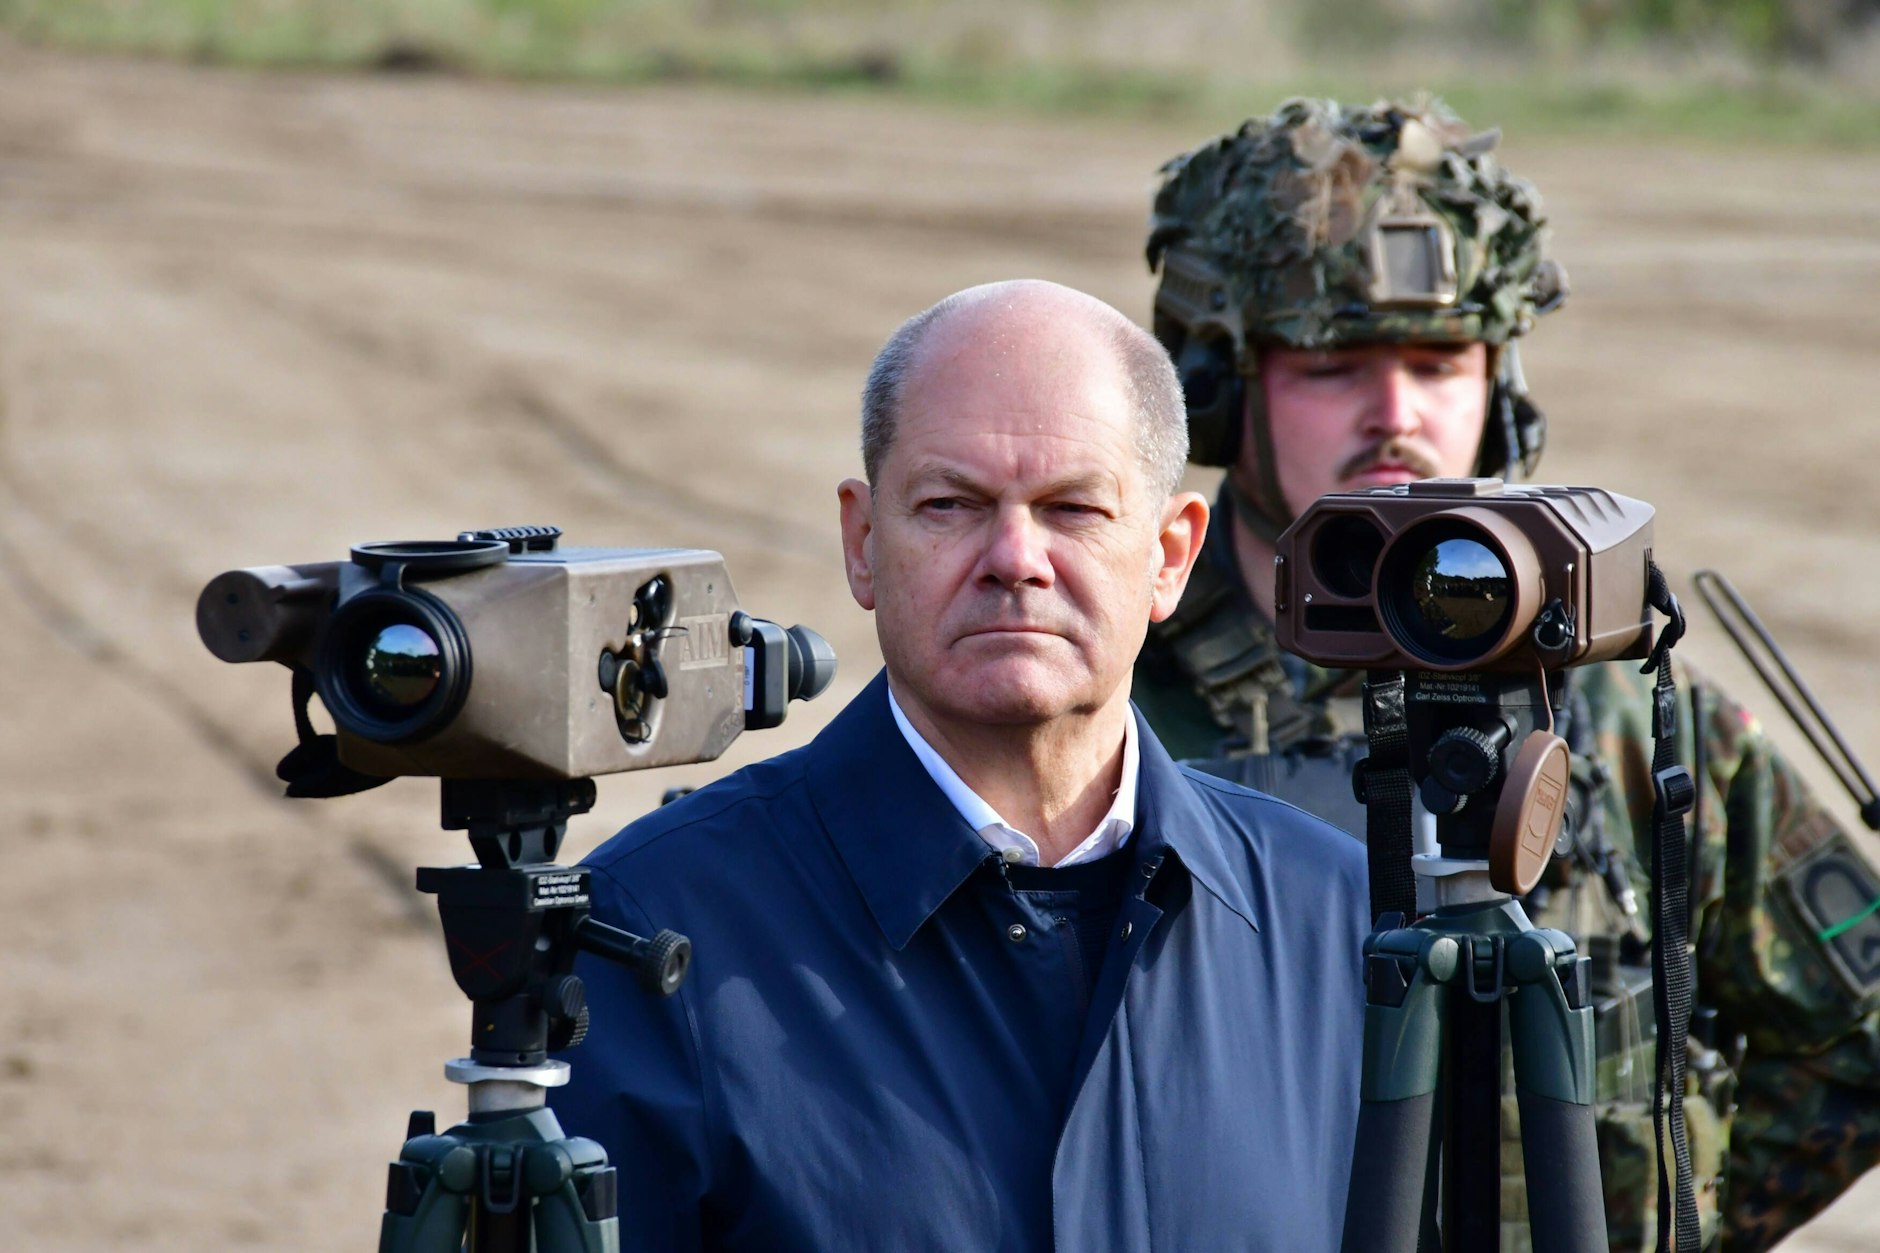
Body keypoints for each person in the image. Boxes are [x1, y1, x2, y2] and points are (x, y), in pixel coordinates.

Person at [1134, 97, 1880, 1252]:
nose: (1395, 416)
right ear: (1224, 390)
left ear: (1501, 383)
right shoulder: (1109, 716)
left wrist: (1677, 1221)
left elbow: (1858, 1036)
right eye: (1333, 366)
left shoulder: (1618, 709)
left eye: (1439, 362)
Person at [550, 279, 1372, 1251]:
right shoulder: (643, 937)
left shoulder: (1337, 919)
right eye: (950, 504)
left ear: (1168, 554)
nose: (1014, 556)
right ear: (862, 541)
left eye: (1072, 507)